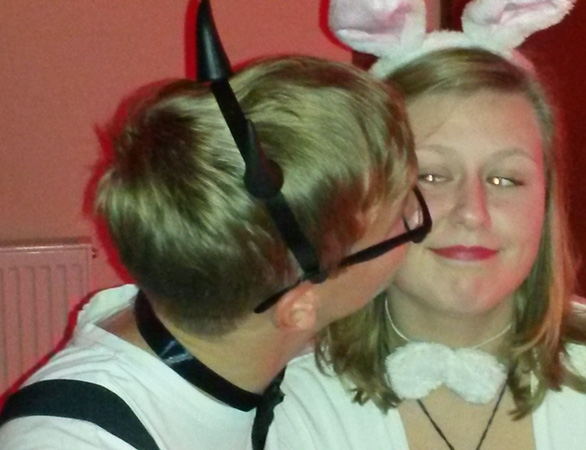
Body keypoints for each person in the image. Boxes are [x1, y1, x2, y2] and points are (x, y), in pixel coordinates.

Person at [0, 1, 430, 449]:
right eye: (402, 220)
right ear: (298, 307)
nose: (419, 222)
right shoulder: (78, 440)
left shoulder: (242, 359)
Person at [267, 0, 586, 449]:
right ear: (366, 196)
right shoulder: (293, 396)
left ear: (546, 202)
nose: (473, 212)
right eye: (432, 176)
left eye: (505, 179)